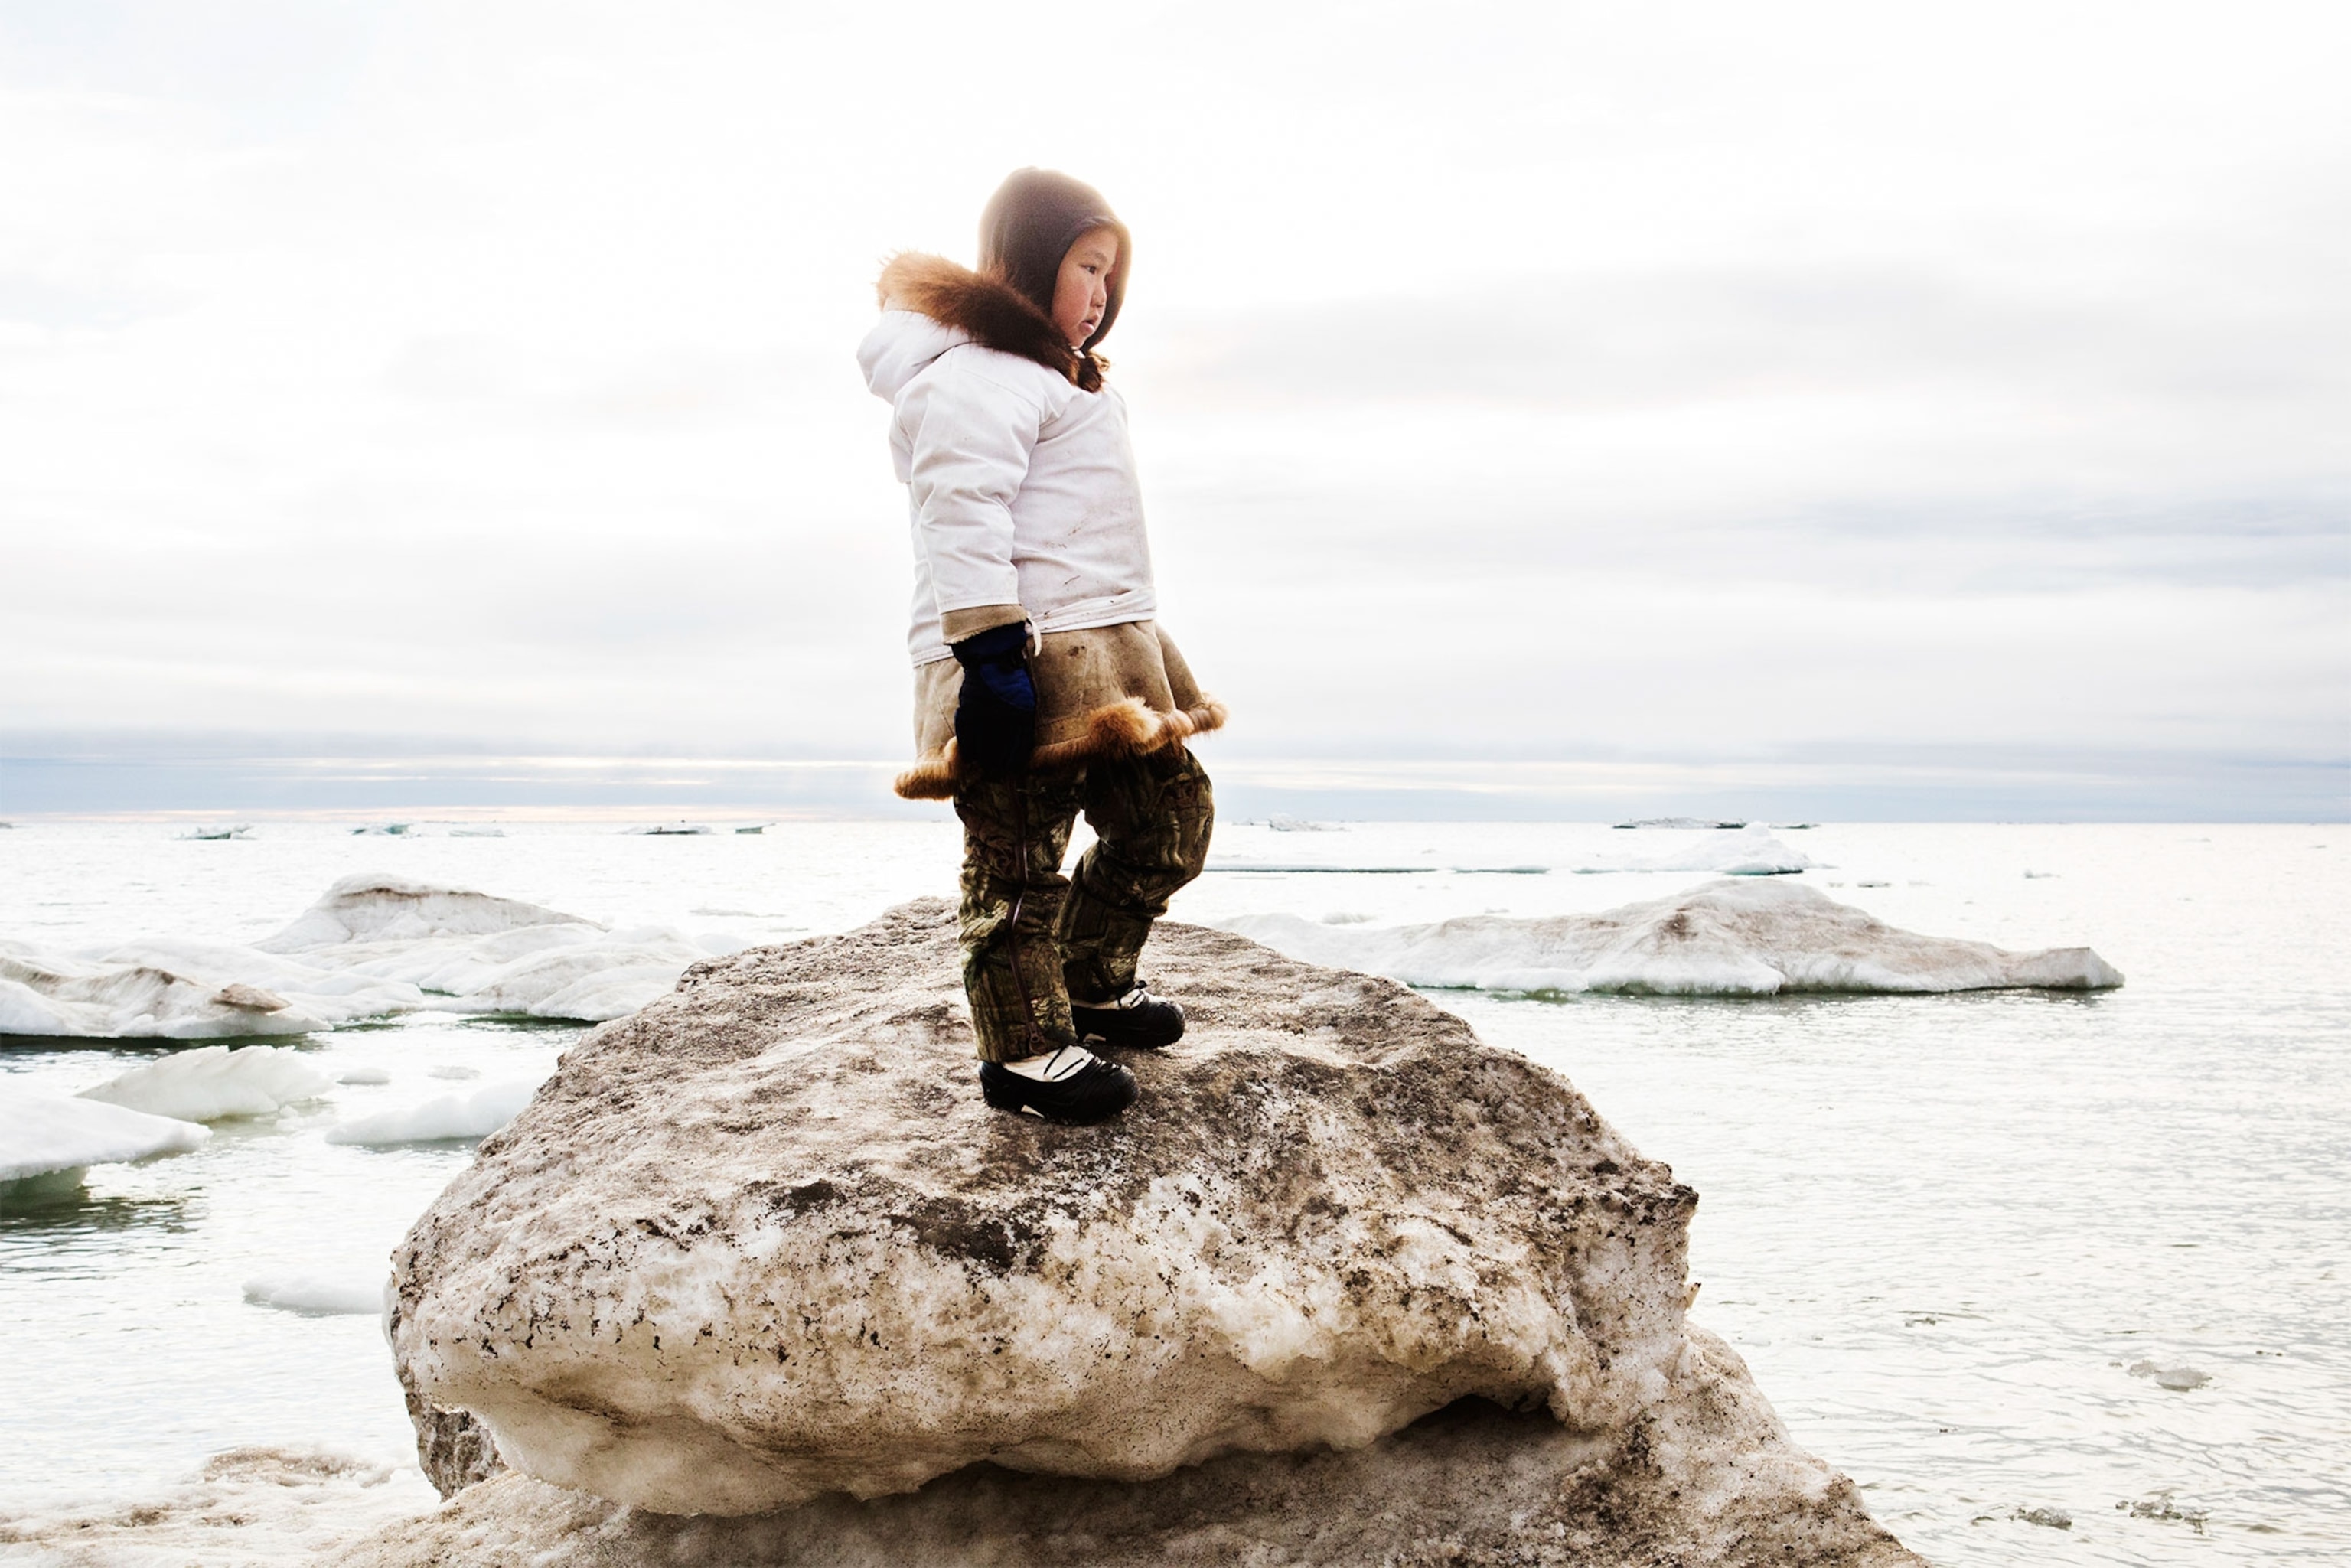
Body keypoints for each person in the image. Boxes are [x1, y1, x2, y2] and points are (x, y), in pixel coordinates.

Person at [857, 168, 1223, 1125]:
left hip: (1106, 649)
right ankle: (1023, 1048)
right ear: (1026, 263)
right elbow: (961, 509)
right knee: (1018, 859)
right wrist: (987, 656)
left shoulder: (1067, 381)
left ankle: (1092, 977)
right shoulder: (973, 376)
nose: (1101, 293)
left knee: (1168, 814)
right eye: (1084, 266)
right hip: (1012, 659)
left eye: (1113, 273)